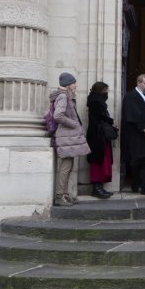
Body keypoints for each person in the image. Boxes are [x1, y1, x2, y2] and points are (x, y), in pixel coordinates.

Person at [50, 72, 90, 206]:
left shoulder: (66, 96)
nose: (76, 85)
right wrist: (74, 124)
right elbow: (58, 116)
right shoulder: (63, 96)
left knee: (68, 165)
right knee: (66, 167)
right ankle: (59, 196)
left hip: (68, 137)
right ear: (68, 85)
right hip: (66, 136)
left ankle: (65, 195)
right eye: (74, 83)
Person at [85, 81, 117, 199]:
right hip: (98, 136)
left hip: (99, 135)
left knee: (101, 160)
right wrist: (111, 121)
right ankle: (96, 188)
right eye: (106, 91)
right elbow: (100, 117)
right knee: (98, 161)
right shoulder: (96, 102)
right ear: (101, 91)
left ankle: (99, 187)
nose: (107, 93)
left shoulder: (96, 101)